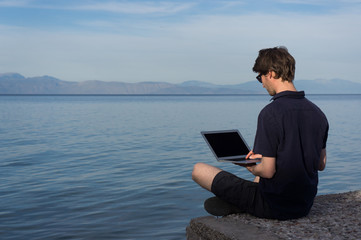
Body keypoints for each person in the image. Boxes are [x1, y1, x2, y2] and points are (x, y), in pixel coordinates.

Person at [192, 46, 329, 220]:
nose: (262, 84)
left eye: (260, 77)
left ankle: (238, 204)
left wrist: (247, 164)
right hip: (304, 205)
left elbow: (267, 172)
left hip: (274, 206)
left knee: (199, 170)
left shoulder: (270, 113)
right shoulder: (318, 113)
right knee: (258, 180)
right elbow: (320, 164)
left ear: (270, 73)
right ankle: (239, 202)